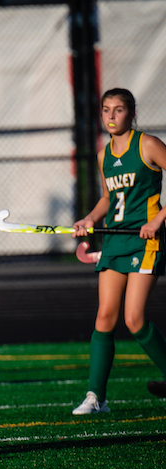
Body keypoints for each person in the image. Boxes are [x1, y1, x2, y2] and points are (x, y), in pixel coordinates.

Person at [71, 88, 166, 414]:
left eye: (119, 109)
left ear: (132, 113)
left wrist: (157, 219)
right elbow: (108, 198)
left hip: (144, 241)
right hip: (115, 241)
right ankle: (95, 397)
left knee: (134, 318)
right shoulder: (103, 155)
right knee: (105, 316)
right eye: (106, 110)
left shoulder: (148, 145)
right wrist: (89, 218)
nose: (111, 116)